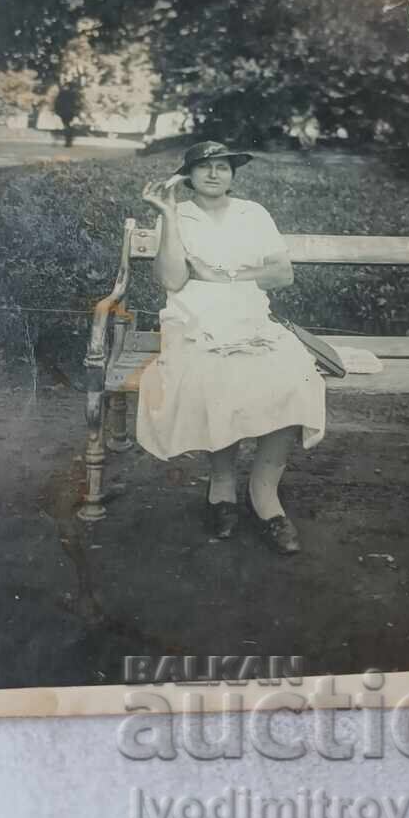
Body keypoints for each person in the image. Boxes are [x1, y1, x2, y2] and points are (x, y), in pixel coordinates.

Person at [136, 140, 327, 554]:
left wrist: (221, 275)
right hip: (194, 318)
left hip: (250, 316)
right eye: (203, 167)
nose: (213, 174)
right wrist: (167, 216)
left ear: (233, 174)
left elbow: (283, 275)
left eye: (222, 166)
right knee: (216, 378)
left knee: (294, 374)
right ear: (187, 176)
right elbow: (171, 281)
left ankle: (265, 496)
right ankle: (221, 489)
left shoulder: (252, 213)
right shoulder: (180, 215)